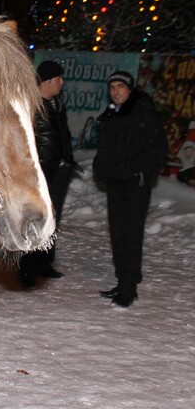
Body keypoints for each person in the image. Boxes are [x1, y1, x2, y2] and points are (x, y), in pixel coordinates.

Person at [93, 71, 168, 307]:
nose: (116, 91)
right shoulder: (112, 113)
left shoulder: (143, 112)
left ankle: (128, 288)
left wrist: (140, 171)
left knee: (130, 234)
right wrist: (101, 168)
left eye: (120, 87)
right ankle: (124, 279)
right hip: (116, 182)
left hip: (135, 183)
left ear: (130, 89)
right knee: (117, 233)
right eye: (112, 87)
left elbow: (159, 148)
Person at [19, 60, 80, 289]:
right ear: (48, 81)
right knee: (35, 219)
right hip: (40, 172)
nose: (62, 83)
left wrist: (67, 159)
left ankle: (45, 262)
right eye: (59, 79)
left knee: (53, 219)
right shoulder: (31, 105)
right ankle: (27, 267)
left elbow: (62, 134)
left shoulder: (56, 102)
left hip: (60, 169)